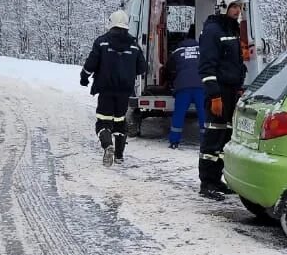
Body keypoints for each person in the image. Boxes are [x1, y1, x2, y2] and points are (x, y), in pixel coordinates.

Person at [198, 0, 249, 198]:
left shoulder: (232, 30)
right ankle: (206, 183)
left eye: (240, 7)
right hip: (218, 92)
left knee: (225, 137)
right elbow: (207, 67)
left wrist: (239, 83)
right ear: (223, 7)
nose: (237, 11)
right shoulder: (212, 31)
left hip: (231, 92)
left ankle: (216, 180)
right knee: (213, 137)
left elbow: (234, 64)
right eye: (234, 6)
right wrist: (214, 95)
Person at [81, 9, 147, 167]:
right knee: (120, 121)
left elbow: (92, 63)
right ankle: (119, 156)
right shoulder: (134, 45)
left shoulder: (102, 42)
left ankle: (107, 145)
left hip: (106, 89)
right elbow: (142, 68)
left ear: (111, 23)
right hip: (125, 90)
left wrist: (84, 77)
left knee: (103, 121)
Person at [163, 26, 204, 149]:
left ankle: (174, 141)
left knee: (179, 113)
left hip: (183, 86)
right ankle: (206, 141)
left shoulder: (177, 51)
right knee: (203, 114)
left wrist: (171, 81)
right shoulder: (202, 50)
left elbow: (169, 68)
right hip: (200, 85)